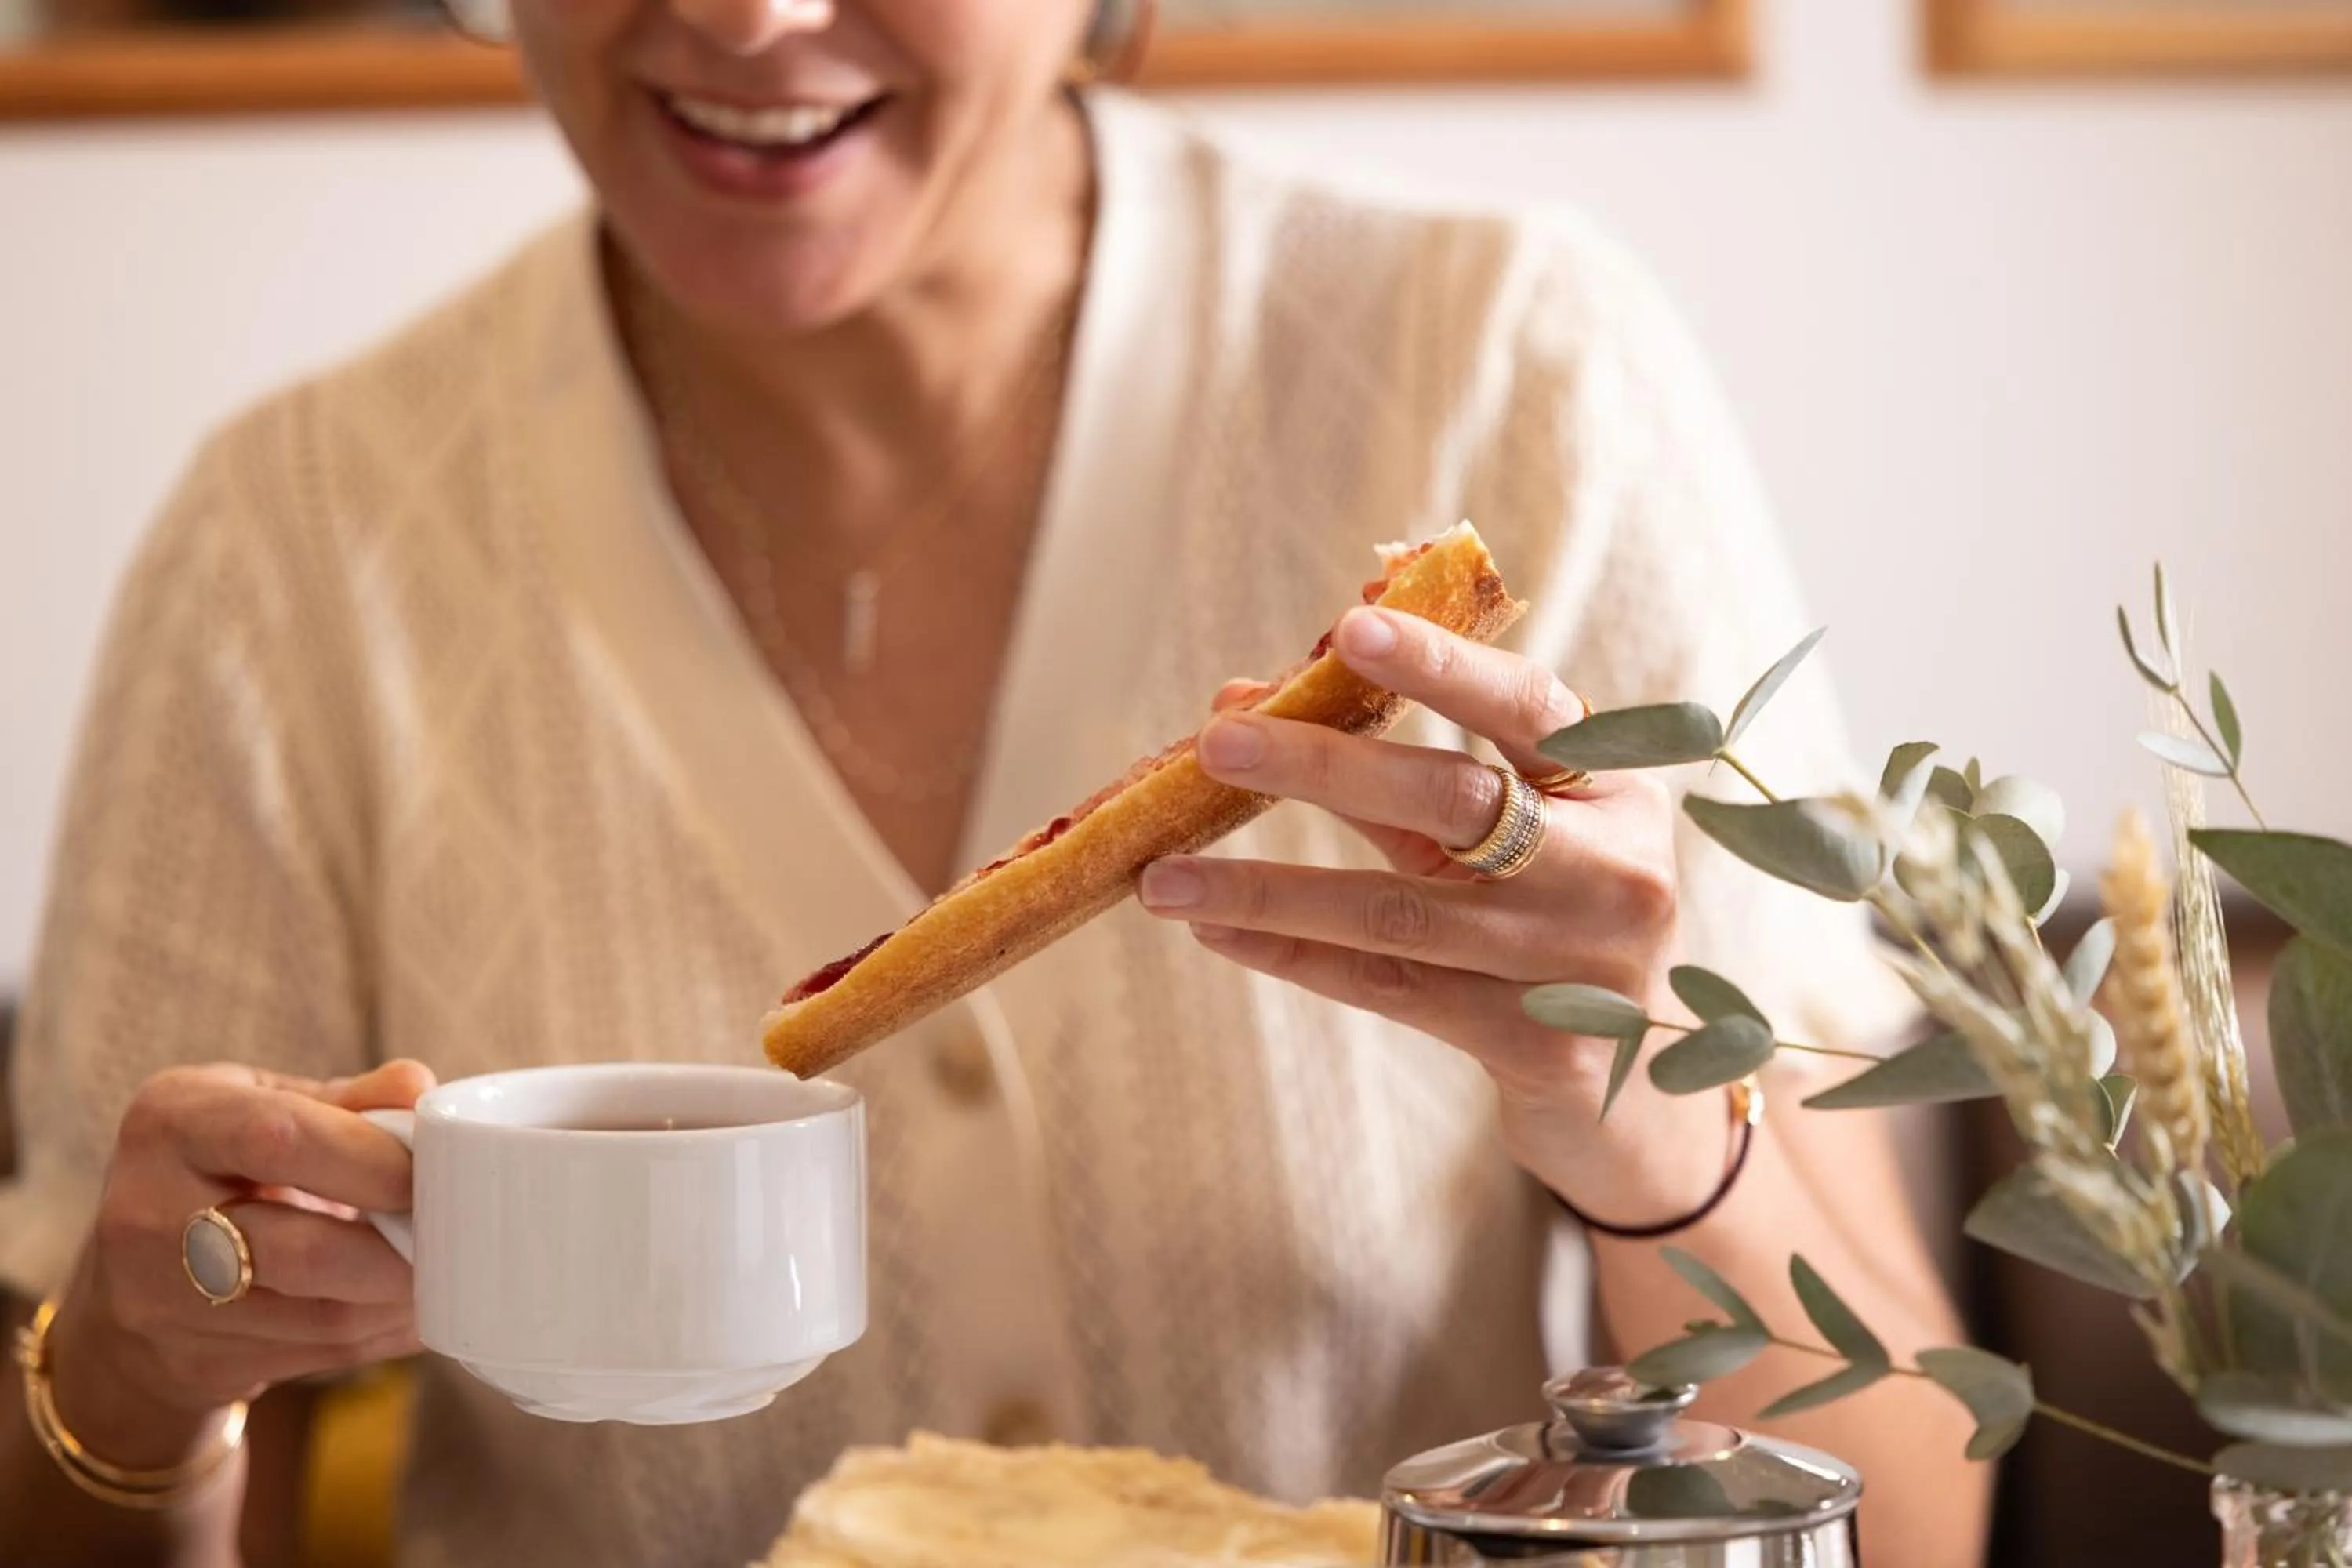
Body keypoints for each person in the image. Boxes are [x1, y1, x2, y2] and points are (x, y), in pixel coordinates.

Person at [0, 1, 1990, 1563]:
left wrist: (1638, 1112)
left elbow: (1906, 1526)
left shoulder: (1504, 369)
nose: (747, 14)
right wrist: (139, 1387)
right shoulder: (289, 543)